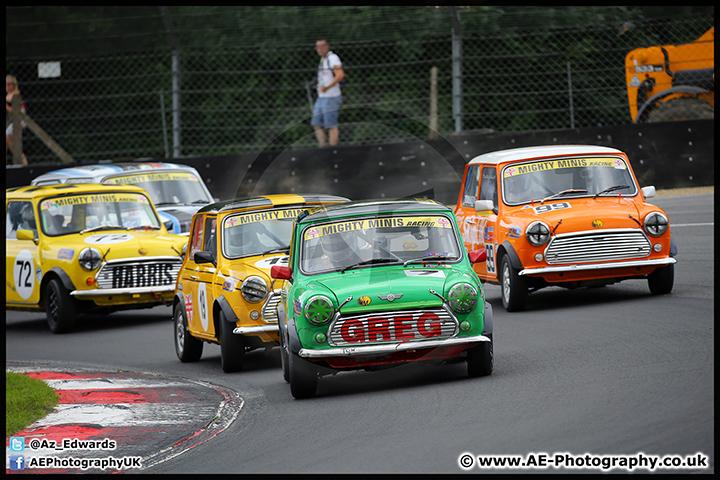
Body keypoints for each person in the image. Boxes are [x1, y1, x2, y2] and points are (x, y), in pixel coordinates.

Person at [311, 39, 344, 148]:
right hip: (322, 96)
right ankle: (322, 147)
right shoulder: (323, 59)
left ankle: (332, 149)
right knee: (316, 123)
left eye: (322, 46)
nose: (319, 49)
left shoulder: (332, 58)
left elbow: (340, 75)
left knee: (331, 124)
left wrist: (327, 87)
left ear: (328, 46)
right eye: (317, 47)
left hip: (331, 96)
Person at [6, 75, 28, 166]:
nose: (7, 86)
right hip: (9, 121)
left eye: (9, 84)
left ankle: (22, 162)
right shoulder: (8, 95)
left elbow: (15, 111)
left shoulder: (15, 95)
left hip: (17, 121)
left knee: (9, 139)